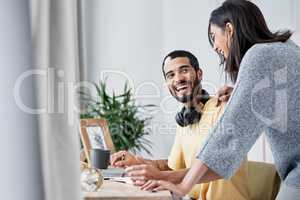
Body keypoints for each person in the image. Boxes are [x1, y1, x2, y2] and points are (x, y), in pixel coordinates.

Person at [151, 1, 300, 200]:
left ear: (229, 29)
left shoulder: (259, 55)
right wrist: (243, 92)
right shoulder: (287, 48)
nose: (214, 47)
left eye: (214, 37)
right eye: (170, 75)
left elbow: (230, 134)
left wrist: (184, 185)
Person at [111, 50, 271, 199]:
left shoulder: (221, 108)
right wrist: (138, 163)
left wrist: (159, 176)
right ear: (167, 85)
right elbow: (173, 167)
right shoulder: (185, 121)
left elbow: (217, 166)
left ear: (199, 74)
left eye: (184, 70)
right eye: (171, 75)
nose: (178, 78)